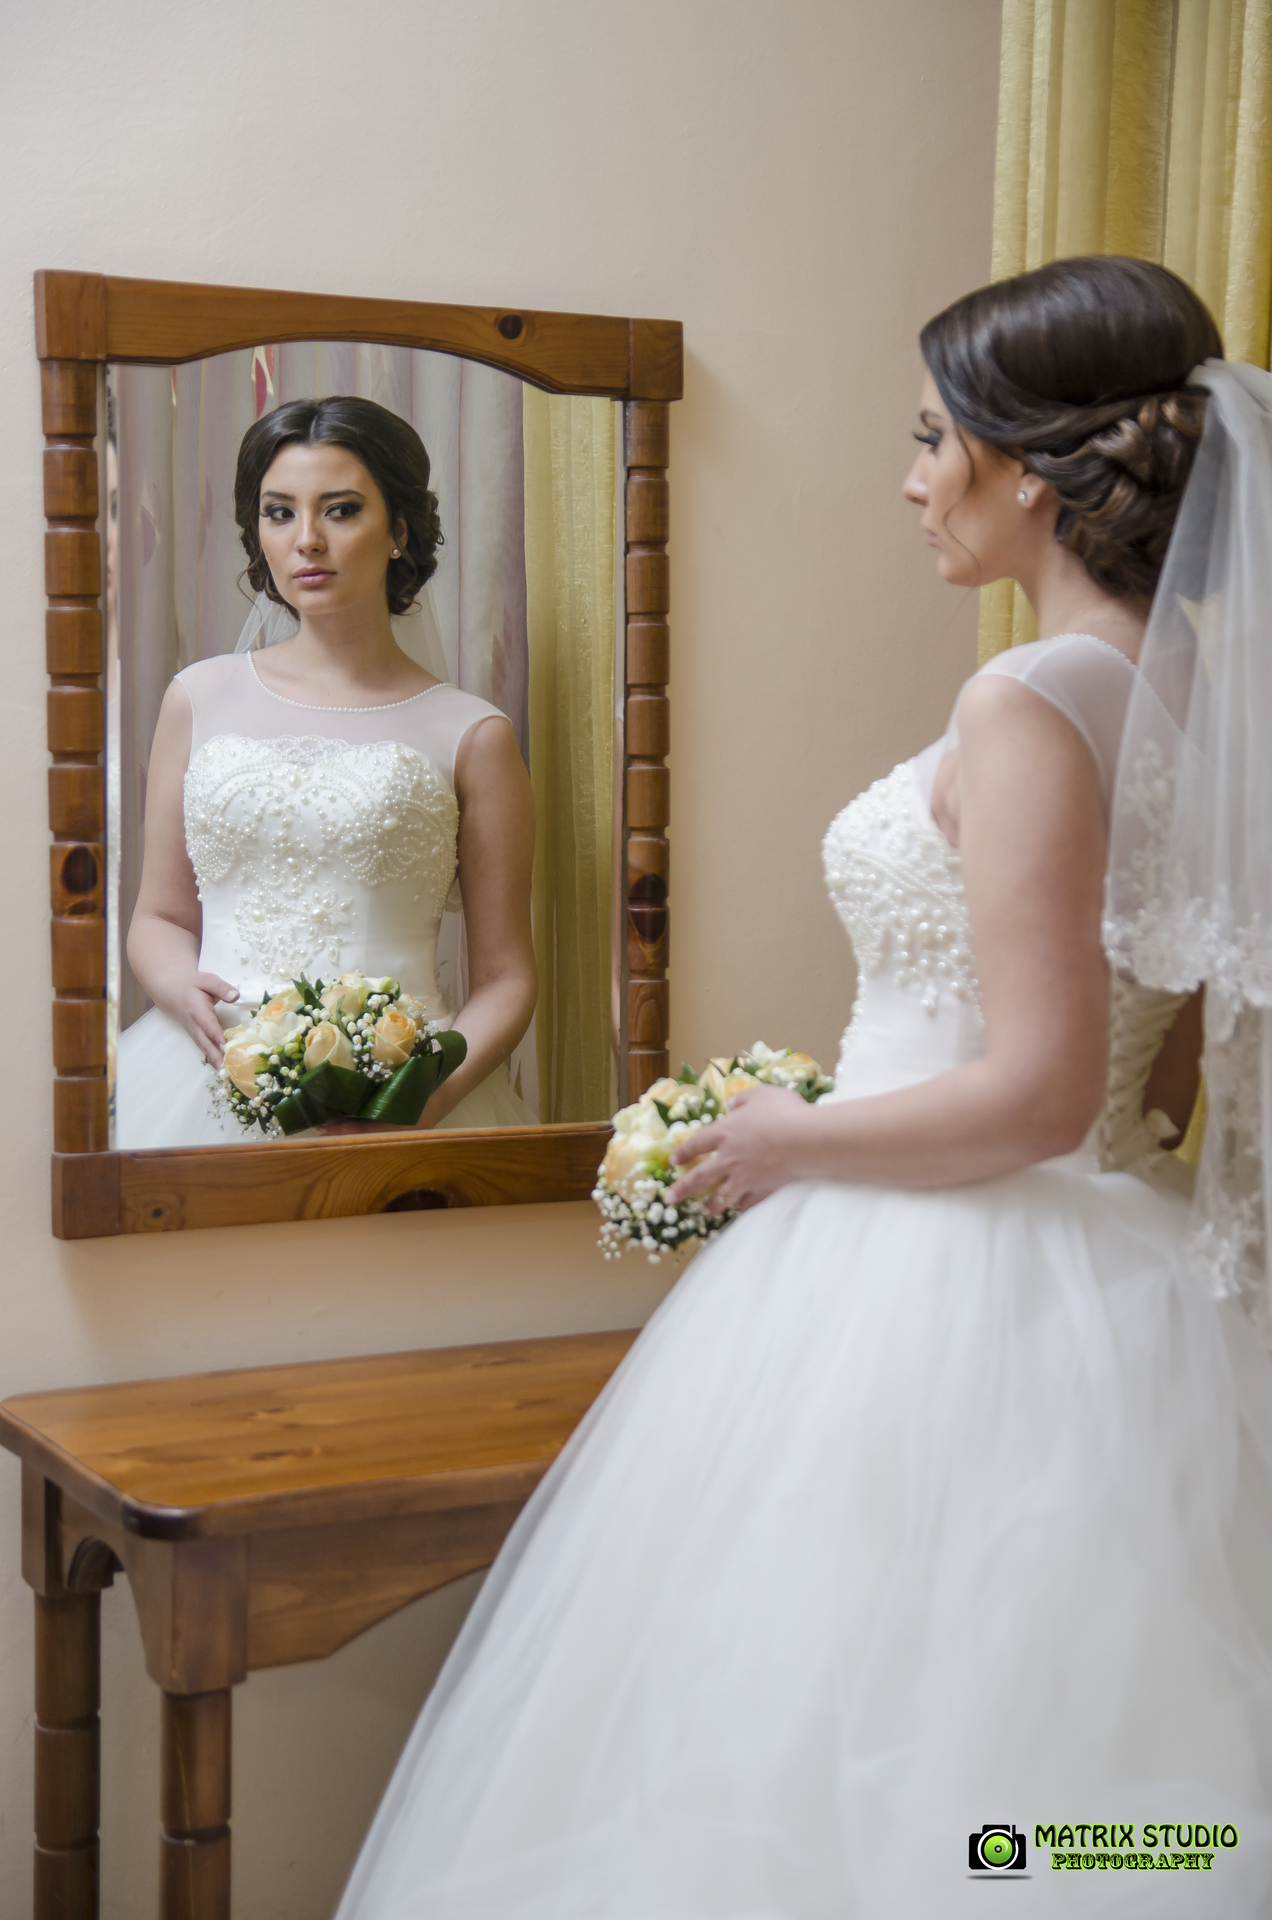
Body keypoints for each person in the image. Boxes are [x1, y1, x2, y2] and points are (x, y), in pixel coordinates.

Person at [333, 258, 1272, 1917]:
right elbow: (1158, 1065)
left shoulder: (1026, 697)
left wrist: (789, 1136)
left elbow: (1039, 1095)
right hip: (1123, 1277)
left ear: (1028, 469)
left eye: (930, 438)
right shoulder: (1197, 696)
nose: (910, 480)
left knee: (831, 1759)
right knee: (1074, 1774)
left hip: (942, 1284)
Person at [115, 396, 536, 1147]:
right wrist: (181, 988)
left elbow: (507, 978)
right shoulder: (197, 698)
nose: (306, 539)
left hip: (399, 1091)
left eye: (340, 510)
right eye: (279, 513)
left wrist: (424, 1099)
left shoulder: (473, 734)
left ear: (399, 530)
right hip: (199, 1075)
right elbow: (160, 917)